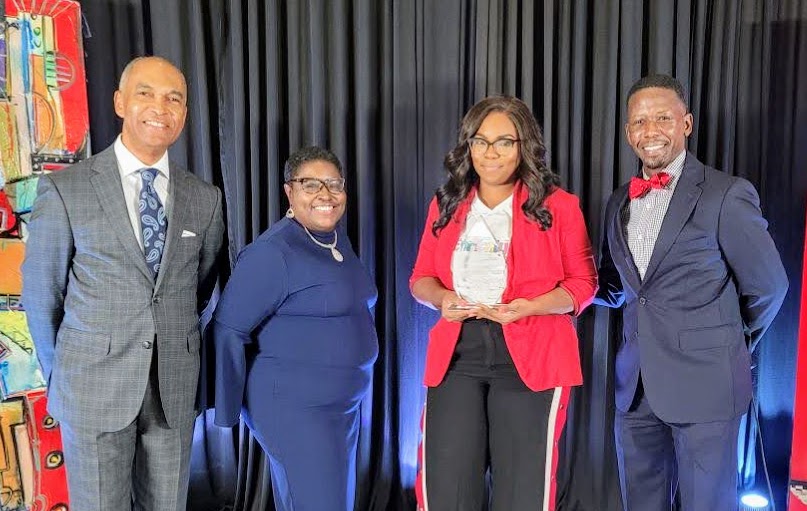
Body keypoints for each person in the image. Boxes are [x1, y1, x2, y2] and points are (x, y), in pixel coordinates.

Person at [22, 56, 224, 511]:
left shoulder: (204, 199)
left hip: (172, 390)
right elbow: (41, 296)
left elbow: (201, 288)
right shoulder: (67, 190)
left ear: (184, 113)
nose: (160, 108)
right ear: (119, 102)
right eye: (145, 94)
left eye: (174, 99)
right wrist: (64, 378)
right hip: (91, 389)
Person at [595, 74, 788, 511]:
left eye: (662, 118)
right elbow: (616, 286)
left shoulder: (726, 194)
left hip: (707, 384)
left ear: (686, 123)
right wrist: (561, 290)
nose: (650, 130)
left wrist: (729, 342)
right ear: (627, 131)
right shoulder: (618, 202)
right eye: (639, 121)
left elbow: (769, 286)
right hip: (637, 388)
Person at [409, 95, 598, 510]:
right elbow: (420, 279)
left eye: (504, 142)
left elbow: (584, 284)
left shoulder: (559, 207)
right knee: (447, 489)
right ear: (468, 146)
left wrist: (530, 307)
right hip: (458, 355)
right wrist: (442, 298)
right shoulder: (446, 204)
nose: (490, 153)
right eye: (480, 141)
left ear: (523, 146)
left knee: (522, 493)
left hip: (532, 356)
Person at [210, 146, 378, 511]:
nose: (325, 194)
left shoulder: (336, 240)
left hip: (340, 408)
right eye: (310, 184)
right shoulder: (272, 252)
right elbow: (228, 328)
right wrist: (227, 410)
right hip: (295, 409)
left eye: (334, 184)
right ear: (289, 191)